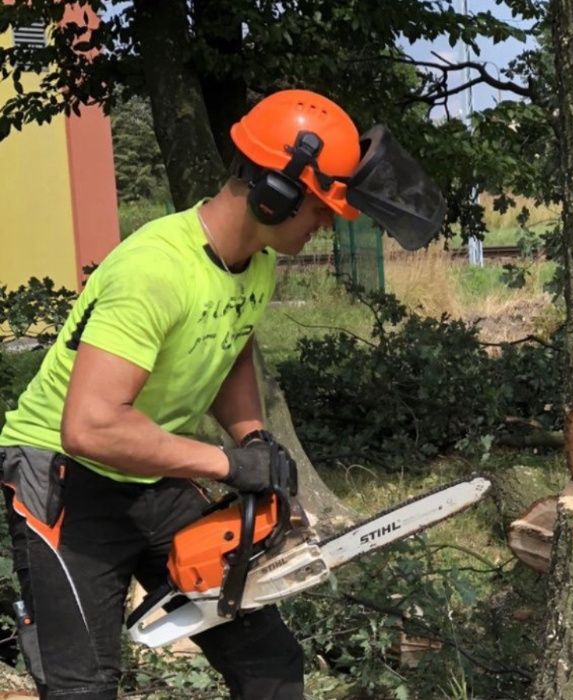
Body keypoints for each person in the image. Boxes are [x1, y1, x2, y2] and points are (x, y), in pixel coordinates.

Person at [0, 88, 443, 699]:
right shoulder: (153, 271)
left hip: (148, 473)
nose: (322, 226)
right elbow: (92, 427)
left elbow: (231, 342)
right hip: (64, 479)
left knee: (269, 663)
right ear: (275, 192)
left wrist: (251, 437)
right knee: (83, 688)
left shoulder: (252, 259)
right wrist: (228, 464)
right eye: (319, 208)